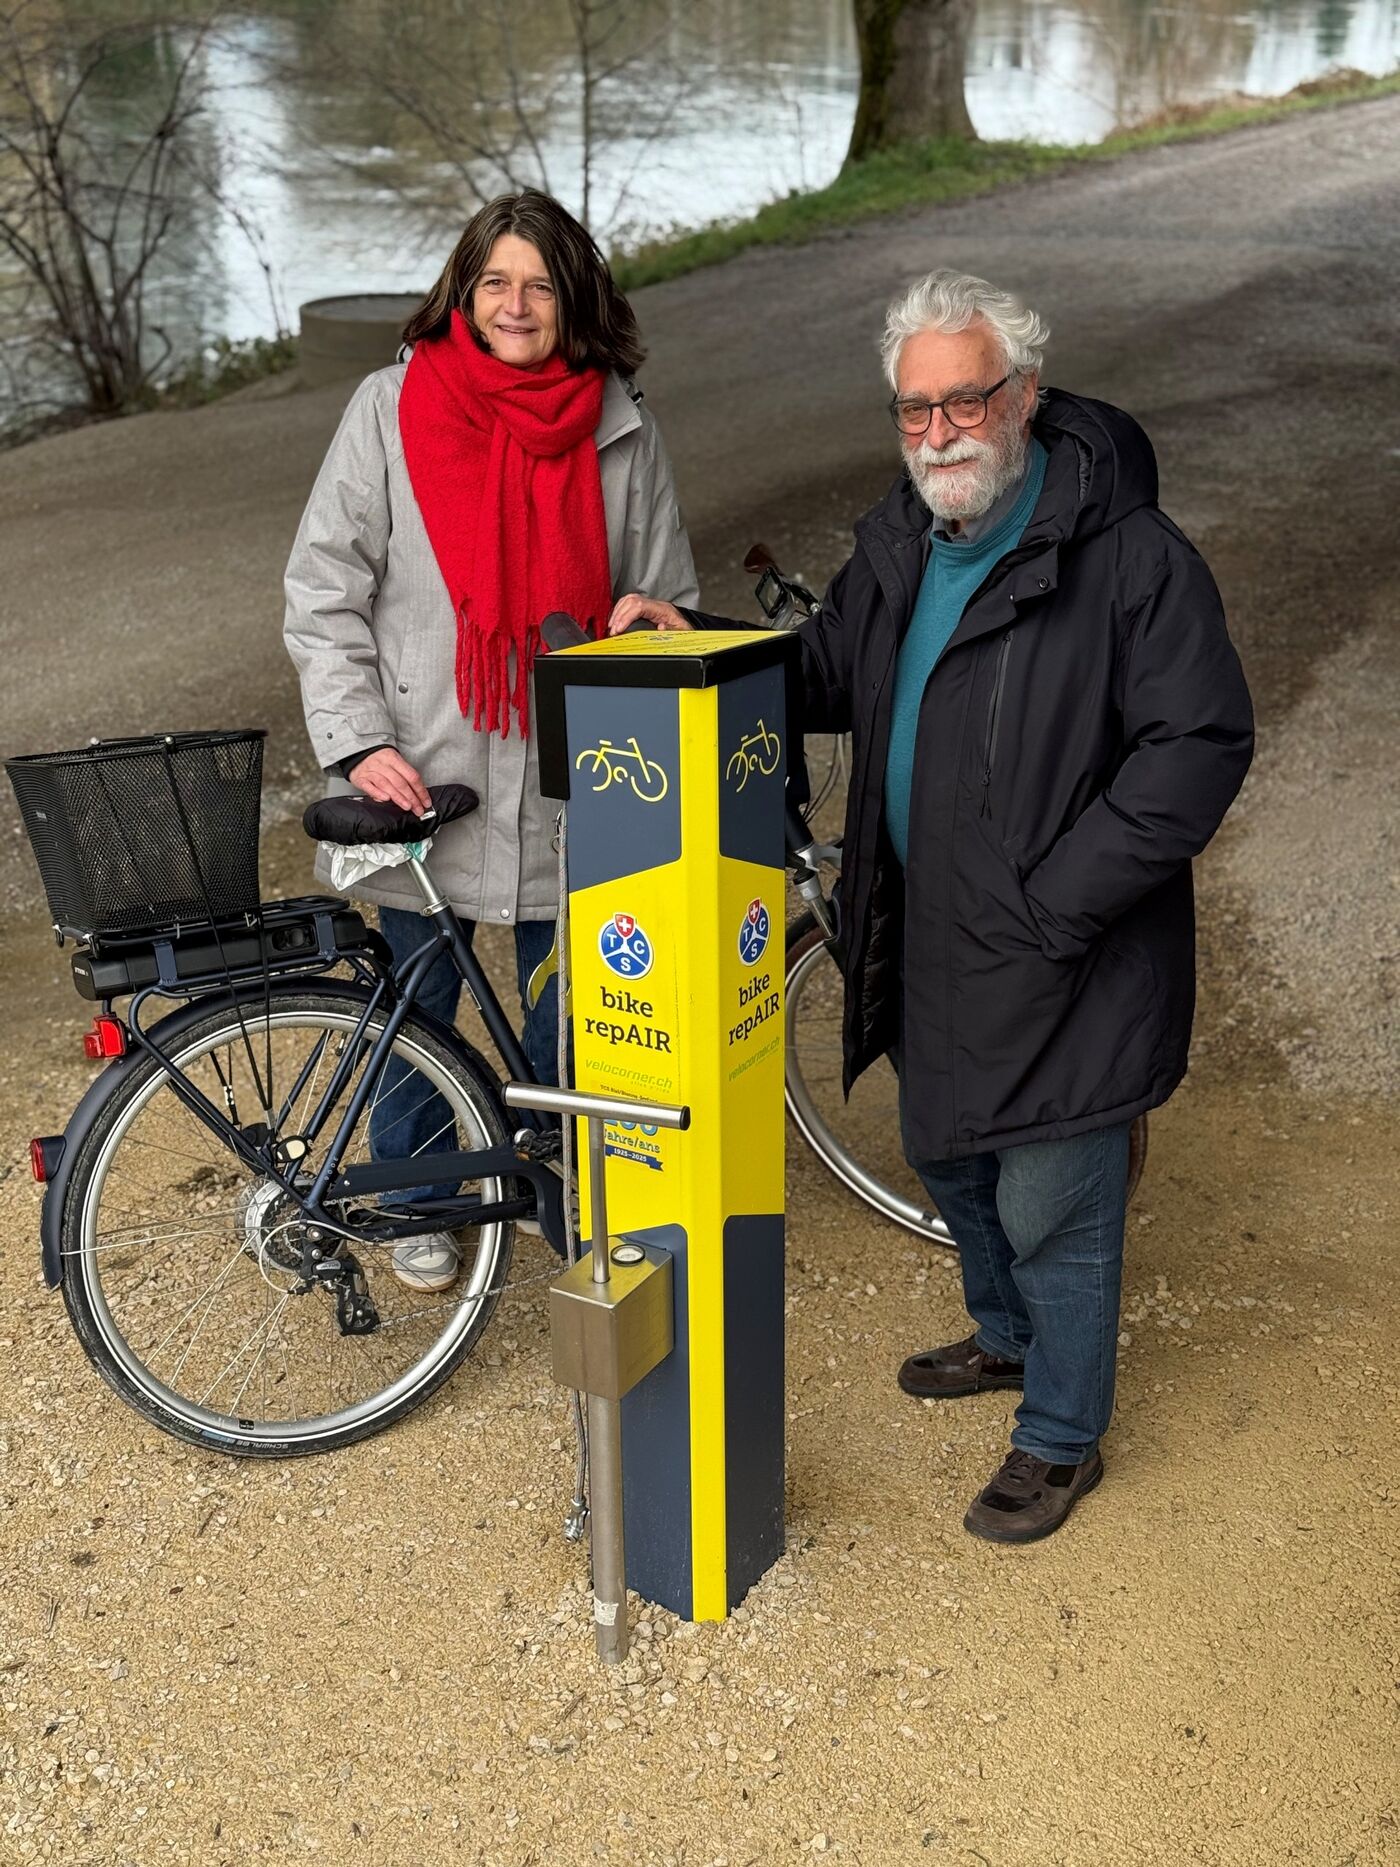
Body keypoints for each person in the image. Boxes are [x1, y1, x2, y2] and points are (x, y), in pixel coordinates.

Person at [608, 269, 1253, 1543]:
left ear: (1023, 394)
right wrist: (696, 635)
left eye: (965, 400)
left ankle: (1059, 1437)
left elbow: (1196, 745)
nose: (940, 432)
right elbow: (827, 670)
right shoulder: (904, 542)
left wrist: (1056, 899)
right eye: (915, 409)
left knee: (1052, 1199)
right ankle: (1006, 1337)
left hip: (1061, 947)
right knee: (949, 1153)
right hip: (924, 927)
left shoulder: (1127, 556)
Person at [285, 189, 698, 1291]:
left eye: (540, 286)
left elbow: (667, 592)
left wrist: (653, 621)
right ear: (463, 293)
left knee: (579, 1007)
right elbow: (323, 589)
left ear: (575, 300)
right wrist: (358, 741)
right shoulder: (391, 407)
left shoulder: (619, 424)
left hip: (578, 782)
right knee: (418, 999)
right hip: (424, 768)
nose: (516, 306)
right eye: (495, 282)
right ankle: (415, 1198)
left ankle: (576, 1190)